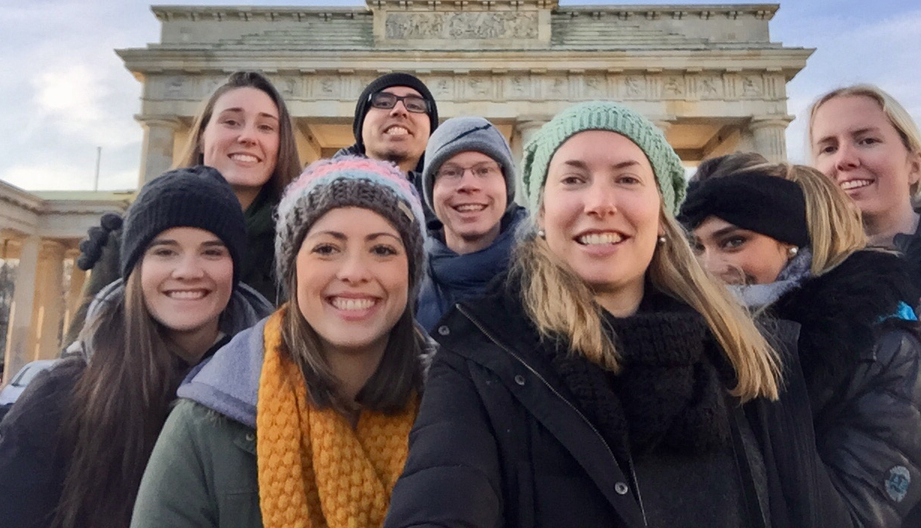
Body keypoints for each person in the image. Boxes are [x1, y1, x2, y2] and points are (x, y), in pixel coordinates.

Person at [385, 101, 852, 528]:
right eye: (573, 179)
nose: (600, 203)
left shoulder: (754, 356)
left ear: (662, 212)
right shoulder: (475, 358)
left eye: (627, 178)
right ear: (541, 212)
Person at [0, 166, 272, 528]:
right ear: (134, 268)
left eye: (212, 252)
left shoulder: (272, 387)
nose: (189, 270)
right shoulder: (63, 394)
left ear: (234, 267)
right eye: (165, 252)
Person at [130, 156, 433, 528]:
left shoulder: (462, 411)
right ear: (292, 269)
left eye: (383, 250)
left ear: (411, 272)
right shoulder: (204, 425)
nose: (354, 272)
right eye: (326, 248)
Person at [679, 162, 921, 525]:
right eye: (696, 246)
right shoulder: (692, 336)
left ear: (792, 245)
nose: (708, 267)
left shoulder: (884, 349)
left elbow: (853, 518)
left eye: (734, 242)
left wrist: (767, 363)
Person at [64, 71, 300, 347]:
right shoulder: (131, 237)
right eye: (231, 122)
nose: (248, 136)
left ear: (281, 145)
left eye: (266, 127)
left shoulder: (299, 246)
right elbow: (80, 353)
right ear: (201, 137)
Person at [417, 116, 527, 331]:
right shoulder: (404, 280)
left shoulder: (557, 275)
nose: (468, 185)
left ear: (506, 184)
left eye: (484, 170)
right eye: (451, 172)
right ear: (432, 188)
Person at [808, 84, 921, 293]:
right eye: (829, 148)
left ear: (914, 167)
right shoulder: (796, 279)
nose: (843, 160)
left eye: (867, 141)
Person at [334, 72, 439, 206]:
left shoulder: (456, 202)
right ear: (361, 128)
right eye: (383, 103)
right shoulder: (312, 199)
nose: (400, 110)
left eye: (414, 106)